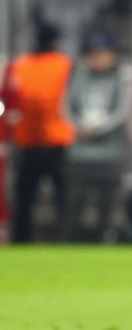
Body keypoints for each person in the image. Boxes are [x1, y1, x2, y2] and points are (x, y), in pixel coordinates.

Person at [3, 22, 75, 242]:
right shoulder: (63, 64)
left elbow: (11, 101)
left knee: (26, 196)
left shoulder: (20, 65)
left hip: (28, 139)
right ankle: (64, 239)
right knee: (61, 197)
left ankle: (21, 239)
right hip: (55, 138)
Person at [66, 31, 131, 241]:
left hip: (108, 154)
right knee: (75, 201)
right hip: (80, 153)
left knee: (106, 202)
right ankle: (71, 240)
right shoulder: (79, 79)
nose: (98, 58)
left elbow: (122, 111)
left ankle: (104, 239)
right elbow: (66, 108)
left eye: (102, 53)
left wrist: (99, 129)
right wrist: (80, 128)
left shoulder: (119, 80)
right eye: (94, 53)